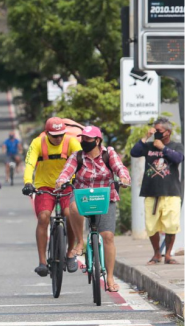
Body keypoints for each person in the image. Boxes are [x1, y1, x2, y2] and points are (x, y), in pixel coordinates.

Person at [56, 125, 130, 290]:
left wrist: (124, 178)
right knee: (72, 208)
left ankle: (110, 278)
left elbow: (120, 168)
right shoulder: (77, 156)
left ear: (97, 140)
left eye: (88, 139)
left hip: (105, 196)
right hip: (82, 194)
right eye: (82, 138)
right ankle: (80, 242)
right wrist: (61, 181)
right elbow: (66, 172)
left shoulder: (108, 153)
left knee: (108, 236)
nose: (84, 142)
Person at [22, 117, 82, 277]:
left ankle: (70, 252)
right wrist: (28, 182)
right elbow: (29, 164)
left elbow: (82, 162)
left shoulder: (71, 142)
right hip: (44, 186)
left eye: (61, 134)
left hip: (66, 185)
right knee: (43, 217)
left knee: (70, 215)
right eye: (55, 135)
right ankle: (42, 262)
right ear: (47, 133)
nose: (58, 138)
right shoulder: (37, 143)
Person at [130, 117, 184, 265]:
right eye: (154, 130)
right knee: (151, 226)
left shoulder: (176, 145)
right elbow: (134, 152)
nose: (156, 133)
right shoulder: (149, 146)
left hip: (171, 192)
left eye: (158, 131)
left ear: (168, 132)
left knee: (171, 225)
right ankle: (156, 254)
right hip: (151, 192)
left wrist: (163, 148)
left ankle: (168, 255)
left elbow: (178, 158)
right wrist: (146, 136)